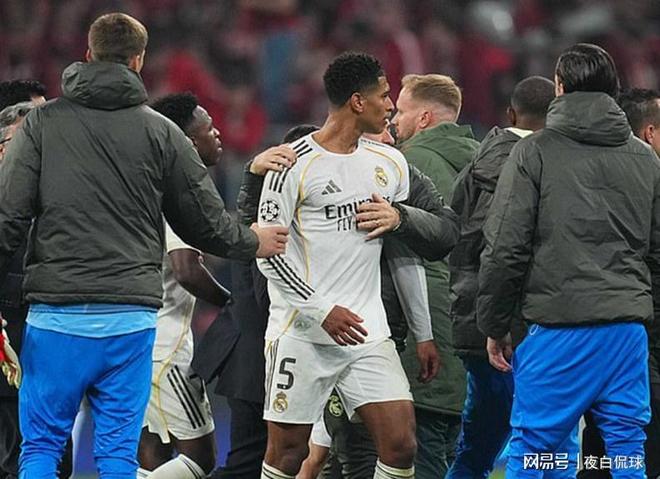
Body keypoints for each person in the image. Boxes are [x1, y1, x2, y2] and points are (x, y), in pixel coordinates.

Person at [0, 12, 286, 478]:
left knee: (41, 448)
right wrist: (253, 240)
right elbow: (206, 224)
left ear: (88, 55)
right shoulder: (161, 131)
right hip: (130, 318)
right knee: (118, 454)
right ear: (138, 60)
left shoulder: (41, 125)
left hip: (55, 314)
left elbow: (8, 219)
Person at [256, 51, 455, 479]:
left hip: (367, 331)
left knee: (401, 445)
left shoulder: (390, 164)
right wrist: (321, 310)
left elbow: (424, 239)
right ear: (357, 102)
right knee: (289, 453)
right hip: (302, 332)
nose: (390, 105)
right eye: (384, 96)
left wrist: (400, 218)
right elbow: (269, 256)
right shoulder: (291, 164)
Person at [478, 43, 658, 478]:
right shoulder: (645, 158)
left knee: (533, 450)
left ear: (559, 87)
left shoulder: (534, 152)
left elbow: (506, 245)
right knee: (626, 450)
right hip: (627, 330)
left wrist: (495, 323)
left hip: (560, 324)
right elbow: (656, 253)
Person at [447, 76, 559, 479]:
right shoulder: (541, 166)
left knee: (480, 448)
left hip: (477, 320)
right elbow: (504, 251)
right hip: (519, 328)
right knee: (540, 443)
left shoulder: (477, 163)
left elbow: (458, 237)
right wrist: (503, 324)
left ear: (511, 114)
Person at [135, 93, 232, 478]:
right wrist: (231, 302)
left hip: (136, 338)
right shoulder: (179, 190)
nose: (218, 134)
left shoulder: (144, 182)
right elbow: (186, 270)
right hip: (167, 347)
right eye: (209, 128)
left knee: (152, 451)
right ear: (188, 142)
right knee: (201, 458)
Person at [390, 73, 479, 479]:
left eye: (401, 111)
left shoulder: (407, 165)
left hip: (426, 334)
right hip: (474, 332)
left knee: (418, 457)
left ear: (424, 118)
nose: (394, 120)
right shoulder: (486, 160)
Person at [578, 87, 660, 479]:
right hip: (639, 338)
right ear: (649, 133)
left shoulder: (595, 185)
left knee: (605, 446)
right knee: (630, 447)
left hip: (610, 330)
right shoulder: (645, 185)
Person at [0, 97, 73, 479]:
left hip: (54, 356)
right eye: (25, 142)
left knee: (59, 462)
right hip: (10, 359)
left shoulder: (60, 202)